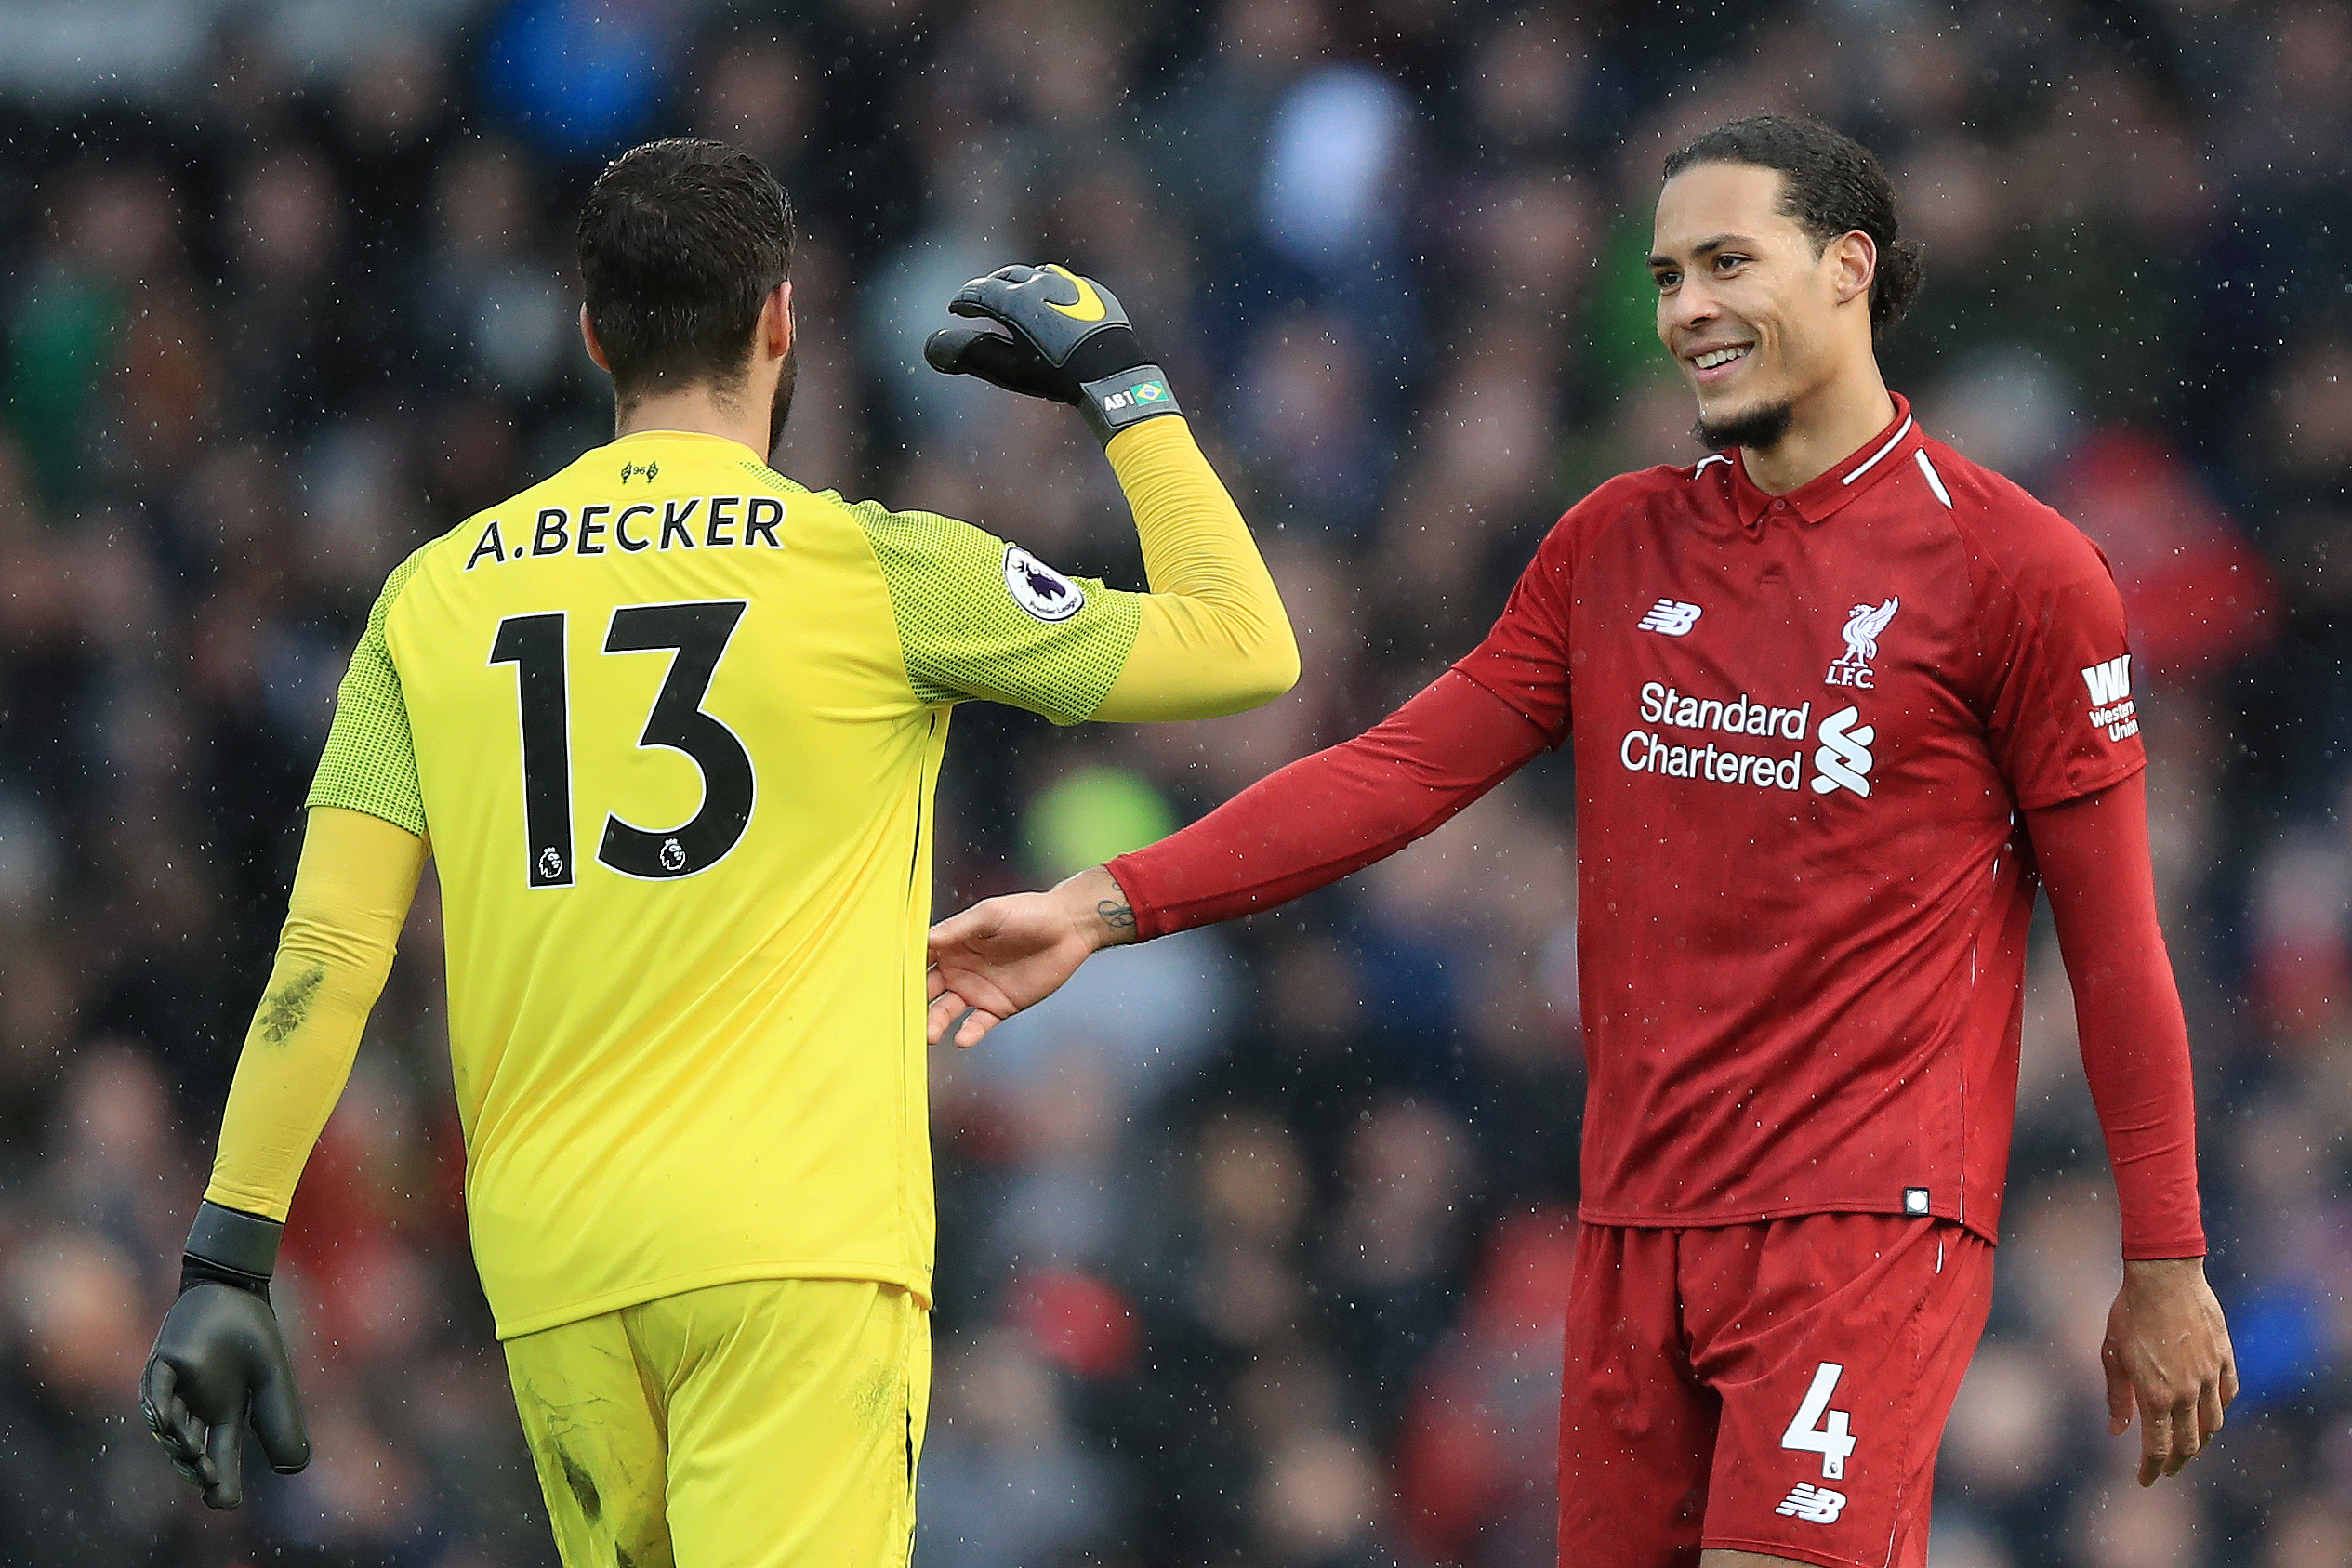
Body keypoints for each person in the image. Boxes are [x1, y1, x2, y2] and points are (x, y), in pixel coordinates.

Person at [924, 115, 2237, 1568]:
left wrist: (2164, 1255)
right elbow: (1400, 770)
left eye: (1728, 263)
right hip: (1631, 1218)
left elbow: (2115, 947)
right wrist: (1101, 905)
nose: (1685, 310)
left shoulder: (2020, 572)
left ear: (1848, 268)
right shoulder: (1613, 545)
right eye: (1669, 275)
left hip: (1861, 1219)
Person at [138, 137, 1297, 1567]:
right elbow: (1247, 644)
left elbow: (326, 958)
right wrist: (1121, 388)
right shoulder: (872, 570)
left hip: (556, 1261)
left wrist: (225, 1252)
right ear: (780, 321)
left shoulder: (427, 602)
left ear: (590, 337)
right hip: (793, 1246)